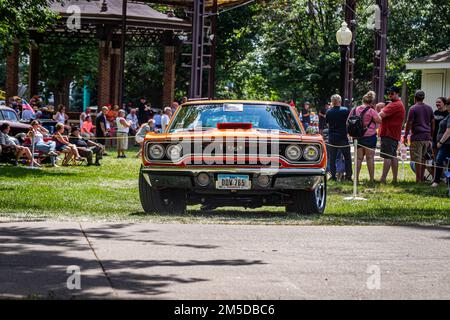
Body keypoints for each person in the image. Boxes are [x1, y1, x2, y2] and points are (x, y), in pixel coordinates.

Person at [349, 91, 382, 183]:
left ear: (362, 100)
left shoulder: (354, 110)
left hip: (357, 137)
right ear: (371, 102)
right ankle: (371, 179)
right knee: (370, 158)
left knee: (358, 159)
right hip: (369, 136)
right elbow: (379, 120)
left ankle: (356, 179)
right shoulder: (371, 111)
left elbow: (348, 121)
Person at [403, 90, 434, 182]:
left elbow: (409, 122)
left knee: (417, 159)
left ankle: (418, 180)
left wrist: (405, 136)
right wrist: (431, 134)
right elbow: (433, 121)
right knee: (423, 159)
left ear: (415, 98)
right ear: (423, 98)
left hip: (417, 137)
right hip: (427, 137)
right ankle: (421, 179)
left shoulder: (413, 108)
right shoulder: (429, 108)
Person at [378, 86, 406, 184]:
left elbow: (380, 115)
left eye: (392, 93)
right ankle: (394, 179)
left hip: (388, 134)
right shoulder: (398, 104)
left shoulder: (395, 105)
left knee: (387, 156)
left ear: (397, 94)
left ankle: (383, 179)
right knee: (393, 156)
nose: (390, 95)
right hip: (394, 134)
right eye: (389, 93)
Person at [326, 94, 352, 181]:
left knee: (332, 158)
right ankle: (348, 176)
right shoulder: (345, 110)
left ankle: (333, 176)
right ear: (340, 101)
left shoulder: (328, 112)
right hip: (343, 136)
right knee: (347, 157)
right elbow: (348, 122)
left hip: (332, 137)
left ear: (332, 102)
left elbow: (328, 124)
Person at [431, 98, 450, 187]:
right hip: (442, 142)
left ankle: (436, 181)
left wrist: (441, 142)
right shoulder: (446, 116)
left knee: (439, 160)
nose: (447, 107)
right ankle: (445, 180)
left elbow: (448, 131)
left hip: (446, 144)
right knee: (439, 161)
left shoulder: (448, 116)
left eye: (447, 105)